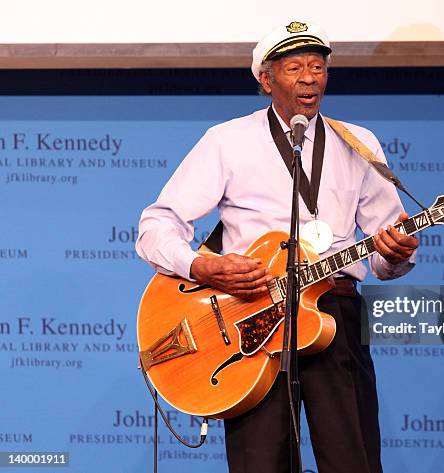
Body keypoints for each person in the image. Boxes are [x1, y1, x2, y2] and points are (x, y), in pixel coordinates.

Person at [136, 20, 418, 473]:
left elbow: (388, 251)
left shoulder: (359, 143)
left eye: (318, 66)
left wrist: (396, 252)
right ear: (266, 80)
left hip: (334, 315)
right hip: (249, 320)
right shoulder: (227, 141)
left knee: (354, 459)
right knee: (259, 463)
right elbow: (156, 226)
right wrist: (202, 268)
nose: (309, 77)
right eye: (294, 67)